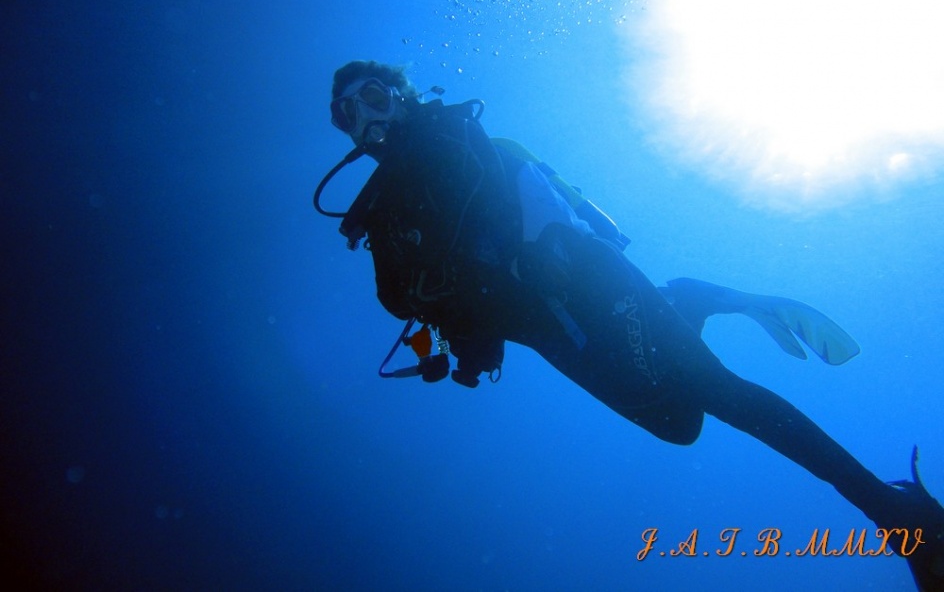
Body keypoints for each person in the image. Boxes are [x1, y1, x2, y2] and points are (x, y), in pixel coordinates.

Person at [314, 60, 944, 590]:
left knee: (716, 391)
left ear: (402, 96)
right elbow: (413, 301)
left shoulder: (457, 141)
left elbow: (523, 182)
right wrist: (465, 344)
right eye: (348, 114)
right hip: (545, 331)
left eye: (373, 98)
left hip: (587, 280)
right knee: (677, 425)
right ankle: (689, 300)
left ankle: (897, 516)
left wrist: (545, 251)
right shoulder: (383, 216)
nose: (366, 118)